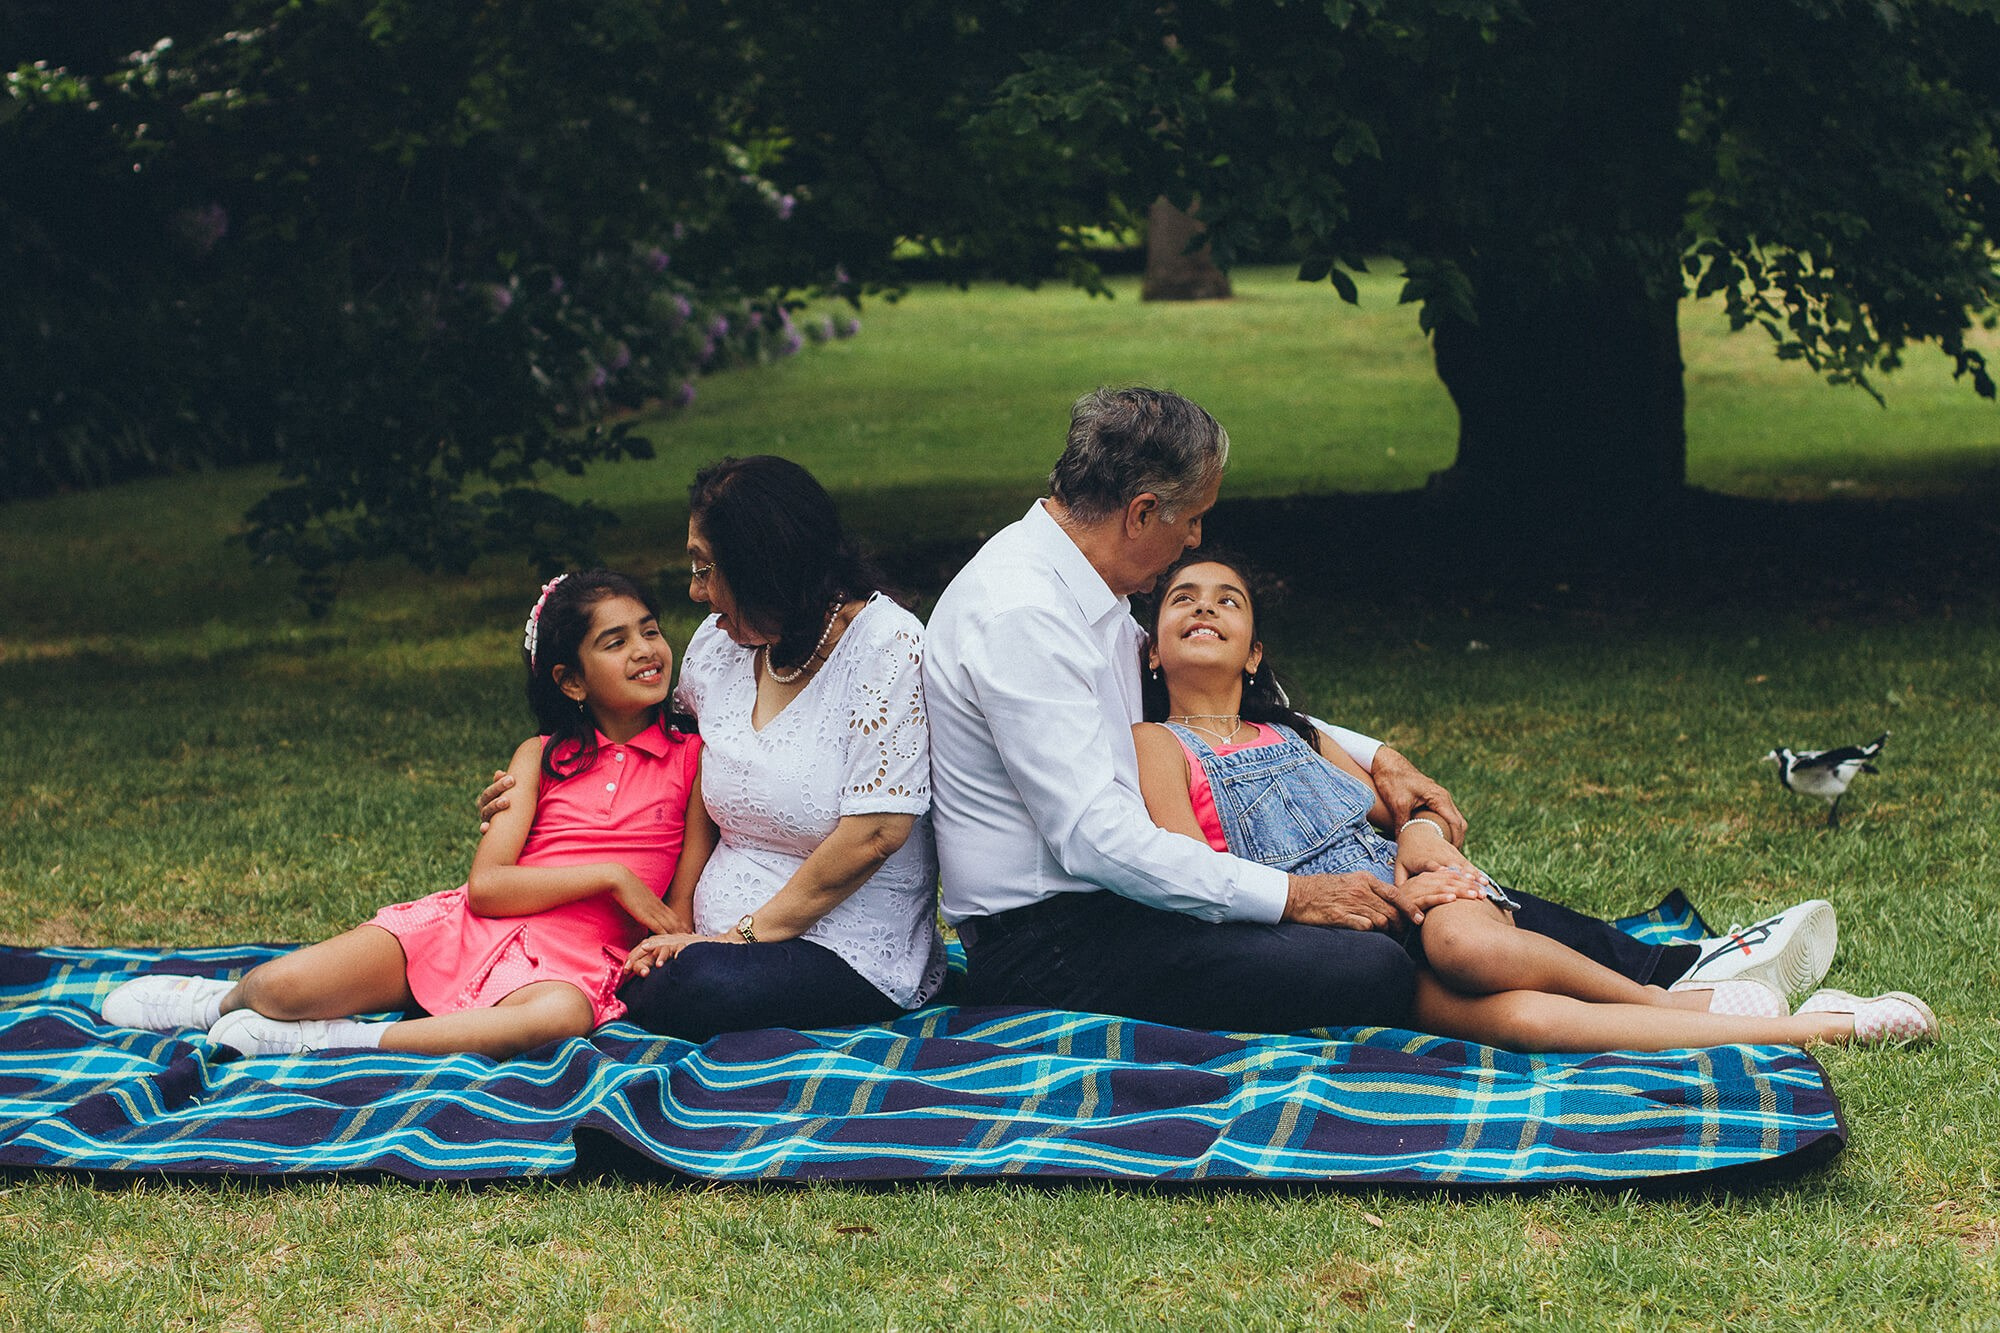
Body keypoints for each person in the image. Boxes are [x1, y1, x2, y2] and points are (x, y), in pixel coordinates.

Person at [923, 386, 1837, 1034]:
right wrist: (1294, 897)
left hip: (1125, 901)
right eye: (1191, 518)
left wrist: (1380, 753)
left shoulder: (1082, 582)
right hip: (1052, 941)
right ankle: (1656, 1002)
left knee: (1405, 907)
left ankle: (1679, 970)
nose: (1198, 539)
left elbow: (1194, 694)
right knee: (1370, 954)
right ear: (1143, 510)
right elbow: (1091, 839)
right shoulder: (1019, 614)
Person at [1133, 551, 1937, 1049]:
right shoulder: (1155, 745)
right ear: (1156, 652)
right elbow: (1194, 869)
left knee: (1467, 946)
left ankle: (1661, 993)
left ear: (1255, 653)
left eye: (1227, 599)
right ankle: (1818, 1024)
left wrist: (1420, 840)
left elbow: (1400, 814)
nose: (1204, 606)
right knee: (1527, 1025)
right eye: (1183, 598)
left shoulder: (1299, 734)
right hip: (1330, 923)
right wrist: (1338, 901)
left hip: (1427, 899)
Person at [101, 570, 711, 1058]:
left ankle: (336, 1039)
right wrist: (610, 875)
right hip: (473, 927)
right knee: (278, 988)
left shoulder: (693, 760)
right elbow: (489, 888)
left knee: (557, 1020)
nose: (645, 651)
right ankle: (216, 1002)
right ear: (571, 682)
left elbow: (675, 909)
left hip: (579, 960)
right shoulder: (540, 756)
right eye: (616, 641)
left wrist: (665, 939)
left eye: (650, 630)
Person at [483, 457, 944, 1040]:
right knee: (653, 969)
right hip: (699, 939)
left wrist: (736, 938)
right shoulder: (720, 646)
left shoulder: (885, 647)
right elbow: (642, 741)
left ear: (763, 565)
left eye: (706, 568)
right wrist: (532, 784)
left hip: (842, 947)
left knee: (698, 986)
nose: (695, 591)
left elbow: (874, 835)